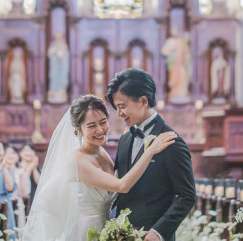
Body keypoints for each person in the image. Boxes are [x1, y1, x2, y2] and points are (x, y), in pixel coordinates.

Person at [23, 93, 179, 240]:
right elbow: (121, 185)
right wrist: (150, 151)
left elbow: (125, 176)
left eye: (103, 122)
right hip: (85, 231)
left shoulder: (102, 152)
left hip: (108, 229)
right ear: (78, 129)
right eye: (91, 126)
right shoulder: (77, 160)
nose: (99, 130)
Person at [111, 69, 196, 241]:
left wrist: (158, 232)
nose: (119, 113)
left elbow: (187, 196)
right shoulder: (125, 139)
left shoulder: (172, 141)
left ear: (143, 101)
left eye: (122, 106)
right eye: (117, 107)